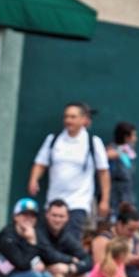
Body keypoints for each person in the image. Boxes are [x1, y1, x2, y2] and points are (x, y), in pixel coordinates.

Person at [28, 103, 111, 241]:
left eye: (73, 117)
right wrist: (33, 179)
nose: (68, 120)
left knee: (71, 241)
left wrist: (105, 200)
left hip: (78, 203)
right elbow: (40, 163)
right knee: (47, 242)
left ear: (83, 120)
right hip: (53, 202)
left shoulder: (93, 142)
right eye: (66, 117)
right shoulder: (53, 140)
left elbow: (103, 172)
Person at [37, 199, 93, 277]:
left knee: (80, 273)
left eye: (61, 216)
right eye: (54, 215)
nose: (57, 219)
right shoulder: (39, 230)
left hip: (58, 273)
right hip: (41, 276)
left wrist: (71, 267)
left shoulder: (66, 235)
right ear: (47, 215)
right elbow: (48, 254)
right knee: (57, 272)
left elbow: (88, 260)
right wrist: (70, 260)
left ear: (67, 217)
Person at [90, 205, 139, 277]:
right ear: (119, 224)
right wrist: (124, 260)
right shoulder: (103, 239)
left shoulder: (135, 240)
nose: (133, 234)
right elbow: (99, 269)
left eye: (136, 230)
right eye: (130, 230)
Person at [108, 121, 138, 214]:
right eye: (134, 135)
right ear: (126, 137)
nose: (136, 138)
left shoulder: (130, 149)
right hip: (115, 194)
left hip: (128, 193)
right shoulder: (112, 150)